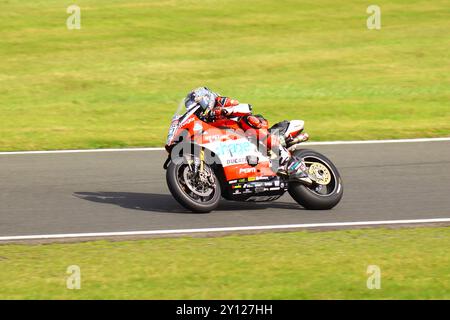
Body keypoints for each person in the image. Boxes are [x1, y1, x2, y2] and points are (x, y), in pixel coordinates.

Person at [184, 87, 310, 182]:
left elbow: (246, 108)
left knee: (248, 121)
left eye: (197, 105)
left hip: (251, 129)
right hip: (235, 143)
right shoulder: (205, 120)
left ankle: (284, 157)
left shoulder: (220, 101)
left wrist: (223, 110)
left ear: (206, 99)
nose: (197, 109)